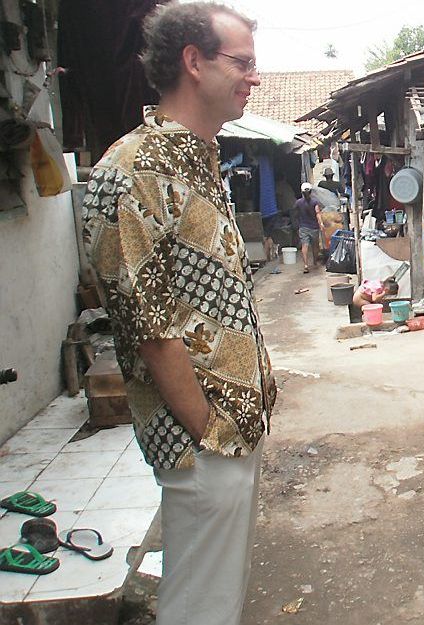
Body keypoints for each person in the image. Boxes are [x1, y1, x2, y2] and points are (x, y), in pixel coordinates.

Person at [79, 3, 274, 624]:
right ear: (194, 61)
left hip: (229, 428)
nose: (254, 77)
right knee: (200, 608)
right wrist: (206, 427)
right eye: (242, 62)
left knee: (216, 597)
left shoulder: (198, 159)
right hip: (200, 439)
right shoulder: (132, 170)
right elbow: (148, 325)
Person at [296, 182, 323, 273]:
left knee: (305, 245)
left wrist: (296, 224)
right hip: (314, 228)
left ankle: (305, 265)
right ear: (311, 192)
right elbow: (318, 213)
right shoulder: (314, 202)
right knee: (315, 246)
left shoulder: (298, 202)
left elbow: (294, 213)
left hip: (303, 227)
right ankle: (315, 262)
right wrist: (321, 223)